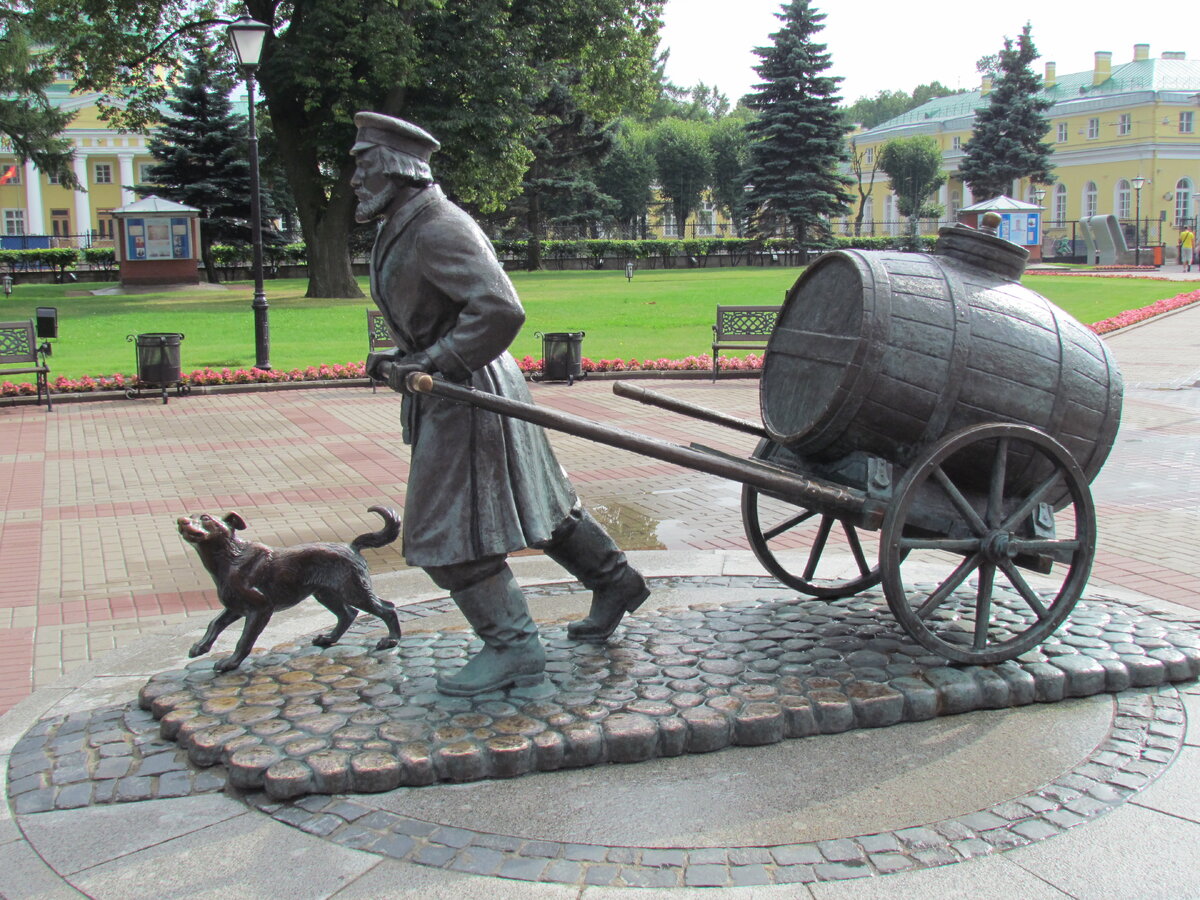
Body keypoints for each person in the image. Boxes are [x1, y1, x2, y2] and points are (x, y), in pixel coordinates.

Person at [352, 112, 649, 697]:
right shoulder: (406, 222)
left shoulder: (437, 225)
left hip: (469, 393)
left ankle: (513, 647)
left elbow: (501, 310)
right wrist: (405, 353)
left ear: (393, 169)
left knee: (445, 532)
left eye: (362, 164)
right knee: (538, 500)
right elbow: (445, 311)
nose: (354, 179)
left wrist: (433, 359)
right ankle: (616, 581)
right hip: (473, 385)